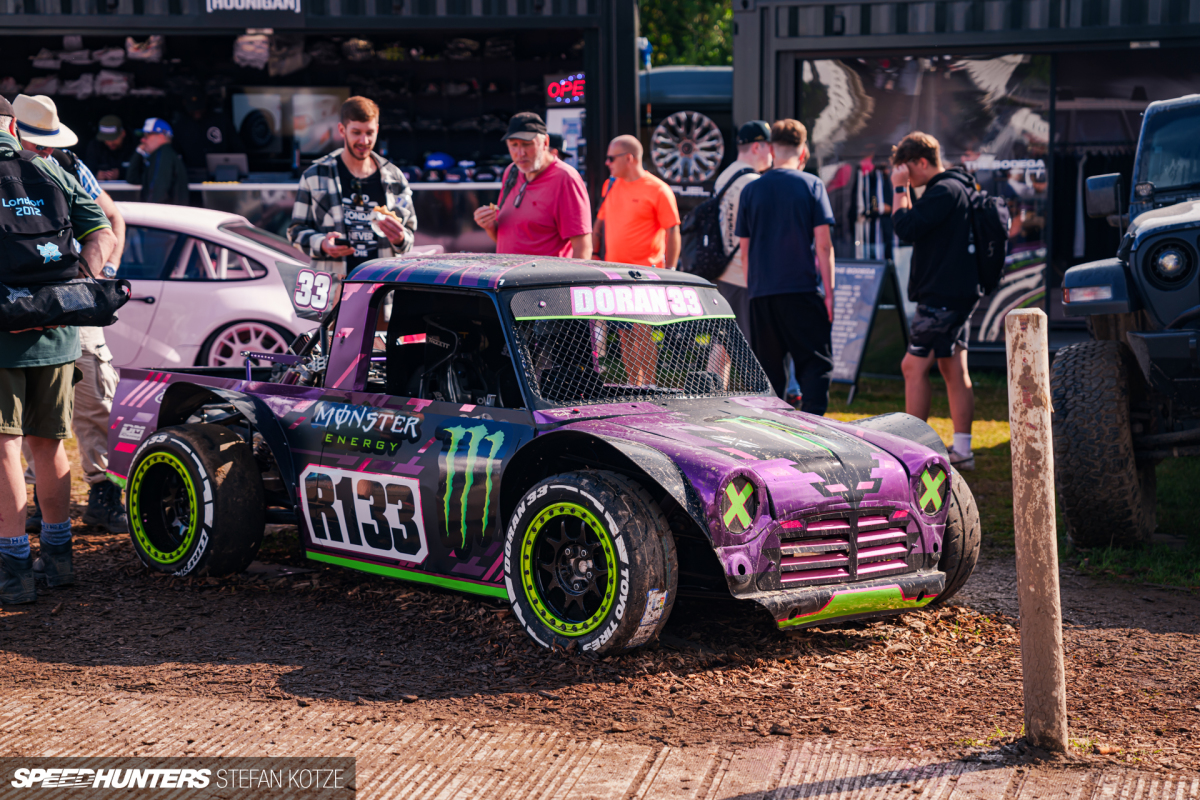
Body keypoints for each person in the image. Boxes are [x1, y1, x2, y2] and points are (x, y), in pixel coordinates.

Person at [0, 97, 118, 604]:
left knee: (4, 448)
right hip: (59, 328)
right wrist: (76, 286)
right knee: (49, 445)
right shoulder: (57, 168)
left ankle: (12, 568)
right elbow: (104, 231)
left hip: (4, 331)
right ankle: (59, 557)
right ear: (12, 123)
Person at [890, 131, 980, 470]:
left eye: (906, 170)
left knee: (912, 367)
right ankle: (963, 450)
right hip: (956, 292)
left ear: (920, 163)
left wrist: (900, 190)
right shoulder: (958, 187)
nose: (905, 178)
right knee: (952, 368)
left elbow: (906, 227)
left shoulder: (943, 190)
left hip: (942, 296)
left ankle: (912, 454)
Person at [735, 119, 836, 414]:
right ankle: (816, 428)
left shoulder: (751, 190)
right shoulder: (812, 184)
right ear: (802, 150)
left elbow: (745, 251)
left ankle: (774, 434)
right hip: (802, 289)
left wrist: (755, 289)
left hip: (762, 294)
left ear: (771, 149)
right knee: (815, 365)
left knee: (769, 374)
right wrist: (829, 293)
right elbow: (824, 245)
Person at [289, 96, 417, 277]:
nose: (364, 141)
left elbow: (409, 235)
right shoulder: (315, 175)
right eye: (356, 132)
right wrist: (323, 244)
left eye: (369, 133)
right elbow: (295, 231)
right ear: (342, 130)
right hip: (332, 286)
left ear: (377, 130)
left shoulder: (394, 177)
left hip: (380, 288)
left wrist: (400, 238)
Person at [591, 134, 681, 385]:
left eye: (611, 158)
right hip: (614, 273)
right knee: (624, 334)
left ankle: (649, 386)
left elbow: (673, 229)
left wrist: (671, 271)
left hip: (645, 275)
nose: (607, 163)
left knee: (643, 332)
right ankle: (634, 385)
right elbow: (600, 222)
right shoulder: (611, 185)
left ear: (629, 158)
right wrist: (595, 256)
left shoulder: (658, 189)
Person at [706, 120, 773, 389]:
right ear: (758, 146)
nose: (772, 154)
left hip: (724, 269)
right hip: (743, 273)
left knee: (723, 339)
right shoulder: (752, 182)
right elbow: (755, 233)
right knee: (746, 345)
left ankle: (711, 390)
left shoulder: (726, 175)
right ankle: (756, 397)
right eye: (770, 147)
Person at [472, 112, 591, 259]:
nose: (520, 153)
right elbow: (508, 239)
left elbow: (583, 246)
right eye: (514, 145)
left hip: (544, 279)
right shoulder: (511, 171)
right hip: (508, 275)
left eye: (527, 144)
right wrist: (489, 226)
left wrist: (573, 282)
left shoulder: (565, 178)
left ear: (545, 143)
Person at [172, 91, 242, 180]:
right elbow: (175, 153)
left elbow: (238, 149)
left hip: (222, 175)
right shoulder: (181, 126)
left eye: (199, 108)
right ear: (185, 104)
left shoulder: (221, 121)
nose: (197, 112)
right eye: (193, 109)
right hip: (191, 176)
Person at [126, 118, 189, 205]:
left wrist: (148, 214)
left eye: (146, 136)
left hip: (166, 215)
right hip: (168, 214)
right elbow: (132, 179)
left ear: (161, 136)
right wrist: (139, 152)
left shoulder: (163, 154)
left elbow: (157, 194)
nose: (142, 140)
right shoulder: (159, 155)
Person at [83, 115, 134, 181]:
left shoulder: (133, 145)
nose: (110, 143)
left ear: (123, 133)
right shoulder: (95, 146)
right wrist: (95, 176)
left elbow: (139, 171)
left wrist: (121, 173)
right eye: (106, 139)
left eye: (113, 138)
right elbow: (86, 170)